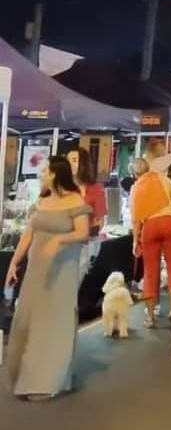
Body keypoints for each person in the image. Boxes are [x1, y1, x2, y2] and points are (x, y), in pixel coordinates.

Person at [5, 156, 91, 401]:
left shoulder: (76, 200)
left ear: (54, 174)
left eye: (45, 170)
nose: (41, 173)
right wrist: (14, 262)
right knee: (30, 319)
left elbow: (83, 233)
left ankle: (47, 379)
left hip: (62, 270)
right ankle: (25, 375)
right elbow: (28, 234)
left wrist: (60, 240)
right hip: (36, 270)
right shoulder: (43, 201)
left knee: (54, 321)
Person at [130, 157, 171, 329]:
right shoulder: (163, 178)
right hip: (170, 222)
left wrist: (135, 240)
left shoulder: (135, 188)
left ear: (135, 173)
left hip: (150, 227)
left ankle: (151, 318)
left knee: (150, 272)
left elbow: (136, 219)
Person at [67, 148, 107, 236]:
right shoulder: (63, 188)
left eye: (74, 160)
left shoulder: (96, 189)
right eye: (67, 160)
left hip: (87, 241)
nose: (69, 164)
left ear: (83, 164)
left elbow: (100, 221)